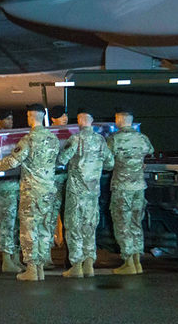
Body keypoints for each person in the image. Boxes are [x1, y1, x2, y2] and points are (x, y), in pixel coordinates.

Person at [0, 104, 59, 281]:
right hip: (48, 191)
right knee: (44, 228)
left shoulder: (28, 140)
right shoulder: (53, 139)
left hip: (31, 192)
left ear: (30, 117)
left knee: (29, 229)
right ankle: (41, 268)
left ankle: (32, 269)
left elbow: (13, 161)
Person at [58, 108, 114, 278]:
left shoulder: (75, 139)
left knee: (74, 227)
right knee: (89, 226)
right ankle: (89, 264)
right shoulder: (101, 141)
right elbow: (110, 164)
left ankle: (76, 266)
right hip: (93, 192)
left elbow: (62, 160)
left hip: (76, 192)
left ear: (80, 121)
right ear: (92, 120)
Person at [107, 107, 154, 275]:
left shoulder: (114, 139)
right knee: (136, 224)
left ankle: (128, 262)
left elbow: (108, 162)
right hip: (139, 187)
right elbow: (150, 152)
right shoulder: (142, 138)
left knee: (122, 224)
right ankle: (137, 261)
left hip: (122, 188)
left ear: (119, 120)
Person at [0, 110, 24, 273]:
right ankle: (6, 259)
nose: (10, 121)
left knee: (18, 223)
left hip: (17, 184)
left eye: (12, 119)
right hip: (4, 186)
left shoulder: (14, 137)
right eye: (6, 119)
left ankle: (15, 257)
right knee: (7, 223)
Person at [46, 105, 69, 268]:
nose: (65, 118)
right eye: (61, 116)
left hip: (67, 182)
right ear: (53, 119)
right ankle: (46, 257)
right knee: (49, 220)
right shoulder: (48, 135)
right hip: (53, 183)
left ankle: (69, 258)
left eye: (66, 115)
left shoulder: (71, 134)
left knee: (69, 221)